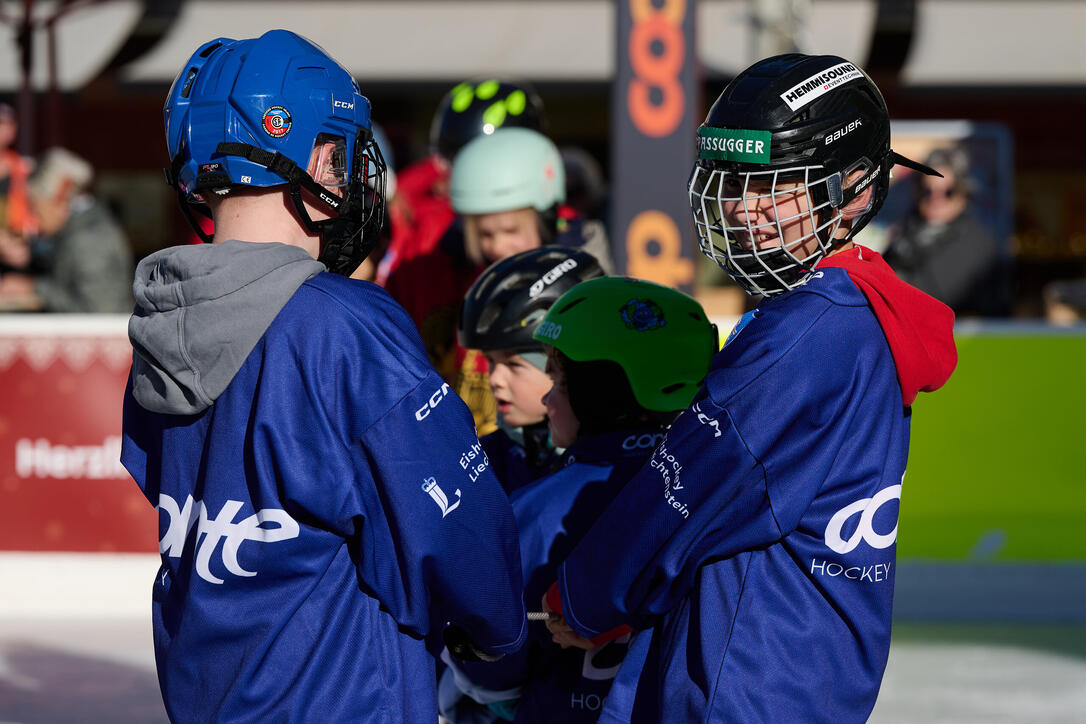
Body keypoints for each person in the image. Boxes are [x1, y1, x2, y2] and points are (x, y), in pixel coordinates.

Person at [119, 30, 526, 722]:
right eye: (340, 152)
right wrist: (504, 641)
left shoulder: (165, 319)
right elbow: (456, 529)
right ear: (311, 154)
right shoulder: (344, 326)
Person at [542, 53, 959, 722]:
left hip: (744, 680)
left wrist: (585, 595)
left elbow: (684, 490)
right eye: (734, 182)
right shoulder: (852, 310)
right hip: (800, 670)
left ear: (853, 189)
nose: (742, 209)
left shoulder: (807, 333)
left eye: (773, 185)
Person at [443, 276, 718, 724]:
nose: (548, 394)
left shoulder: (533, 511)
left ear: (599, 387)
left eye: (558, 377)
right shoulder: (714, 494)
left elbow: (491, 663)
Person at [386, 127, 611, 435]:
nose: (498, 246)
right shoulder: (469, 279)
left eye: (510, 230)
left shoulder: (579, 284)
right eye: (485, 235)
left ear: (545, 219)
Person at [457, 246, 605, 495]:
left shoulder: (608, 462)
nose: (495, 379)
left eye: (514, 364)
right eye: (490, 362)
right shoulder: (484, 462)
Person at [378, 78, 546, 285]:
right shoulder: (436, 239)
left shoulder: (570, 238)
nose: (457, 178)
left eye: (476, 166)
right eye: (454, 163)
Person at [883, 145, 1012, 316]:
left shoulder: (981, 245)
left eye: (948, 192)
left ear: (963, 193)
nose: (936, 199)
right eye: (927, 190)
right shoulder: (903, 235)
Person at [0, 147, 132, 313]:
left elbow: (100, 312)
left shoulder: (91, 241)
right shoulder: (76, 232)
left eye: (34, 208)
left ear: (58, 201)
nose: (32, 218)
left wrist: (35, 288)